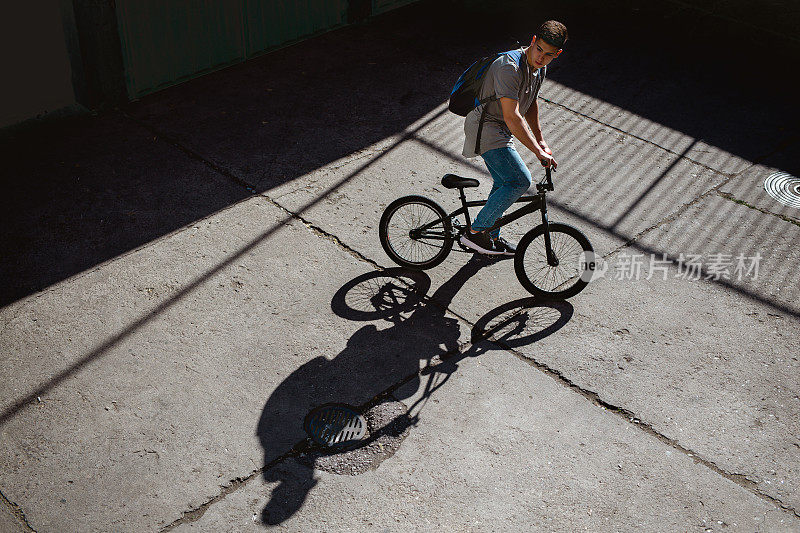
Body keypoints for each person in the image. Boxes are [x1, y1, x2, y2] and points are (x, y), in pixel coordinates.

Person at [459, 20, 567, 256]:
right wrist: (537, 152)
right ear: (533, 41)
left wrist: (541, 141)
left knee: (503, 183)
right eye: (539, 49)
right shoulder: (510, 67)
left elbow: (530, 104)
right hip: (485, 126)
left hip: (500, 128)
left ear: (557, 54)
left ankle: (491, 237)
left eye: (548, 55)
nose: (541, 57)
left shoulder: (539, 68)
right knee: (519, 180)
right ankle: (475, 233)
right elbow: (512, 116)